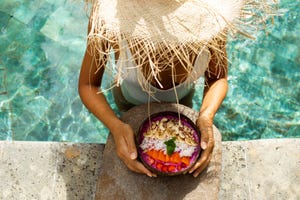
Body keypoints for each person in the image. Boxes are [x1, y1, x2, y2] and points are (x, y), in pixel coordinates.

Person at [78, 0, 276, 178]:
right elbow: (88, 85)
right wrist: (116, 125)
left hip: (182, 101)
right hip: (128, 100)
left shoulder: (210, 28)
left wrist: (206, 116)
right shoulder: (112, 26)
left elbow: (217, 78)